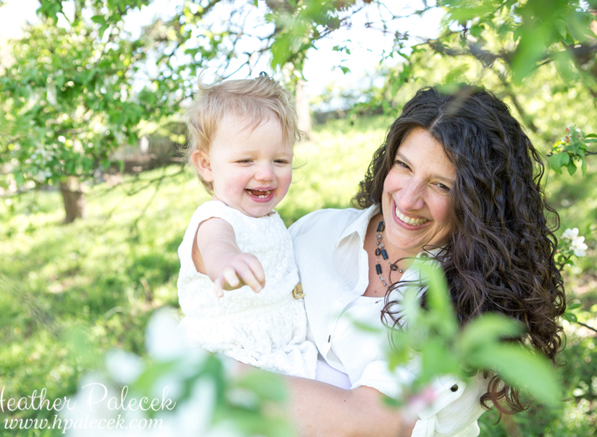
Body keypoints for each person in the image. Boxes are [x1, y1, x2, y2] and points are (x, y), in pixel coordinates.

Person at [284, 87, 566, 437]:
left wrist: (219, 373)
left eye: (441, 186)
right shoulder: (314, 231)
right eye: (404, 166)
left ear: (479, 205)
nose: (408, 199)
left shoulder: (475, 308)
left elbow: (370, 425)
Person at [177, 77, 317, 375]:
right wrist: (228, 262)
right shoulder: (215, 219)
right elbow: (217, 246)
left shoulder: (267, 219)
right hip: (235, 359)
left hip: (281, 351)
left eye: (280, 160)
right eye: (245, 161)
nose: (266, 174)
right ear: (206, 165)